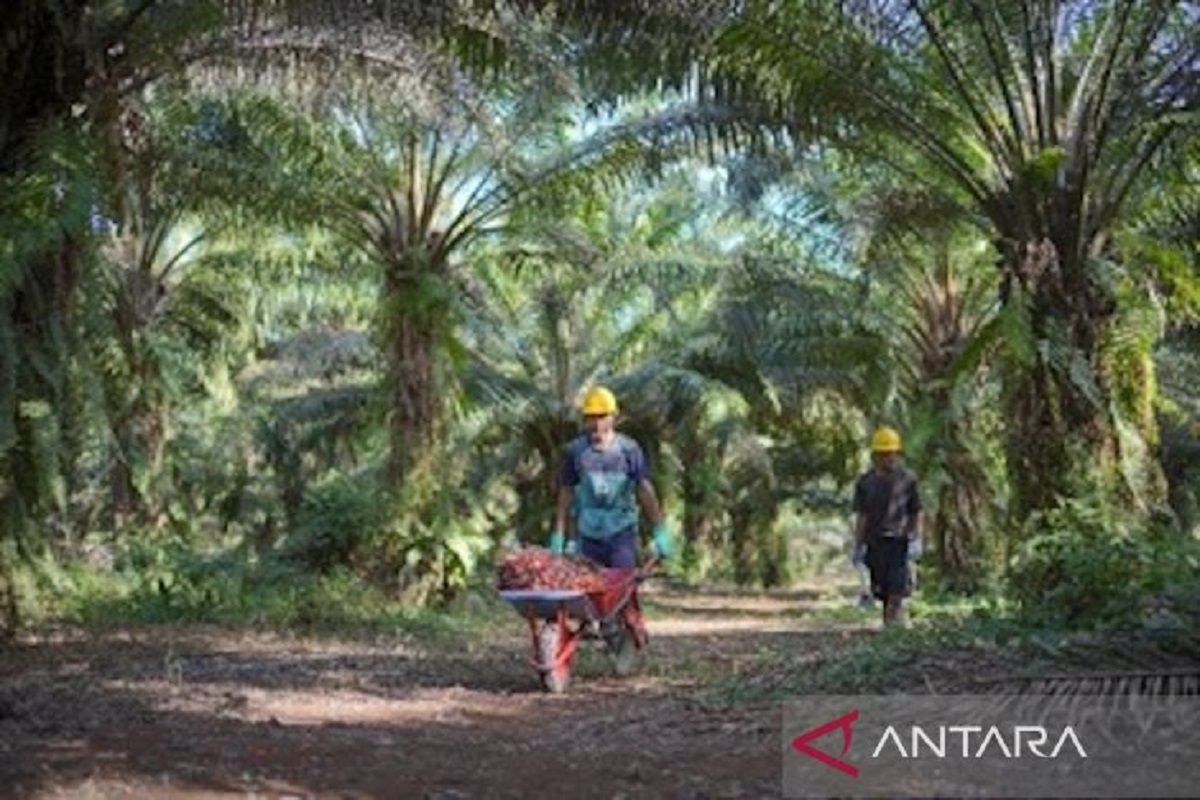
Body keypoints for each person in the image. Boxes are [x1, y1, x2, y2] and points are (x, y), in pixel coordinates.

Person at [549, 386, 673, 568]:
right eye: (592, 417)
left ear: (613, 417)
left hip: (621, 534)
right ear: (585, 420)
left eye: (602, 417)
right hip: (588, 535)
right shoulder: (576, 452)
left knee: (621, 585)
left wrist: (659, 531)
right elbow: (566, 492)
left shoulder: (629, 450)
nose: (597, 423)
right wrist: (559, 535)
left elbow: (644, 489)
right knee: (589, 590)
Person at [853, 426, 923, 627]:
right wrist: (858, 544)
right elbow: (862, 515)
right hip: (875, 542)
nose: (888, 458)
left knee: (897, 587)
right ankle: (889, 624)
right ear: (875, 456)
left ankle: (893, 625)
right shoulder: (865, 483)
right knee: (881, 589)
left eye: (891, 454)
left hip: (899, 541)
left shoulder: (908, 480)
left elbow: (916, 511)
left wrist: (916, 538)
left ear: (897, 454)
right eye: (883, 454)